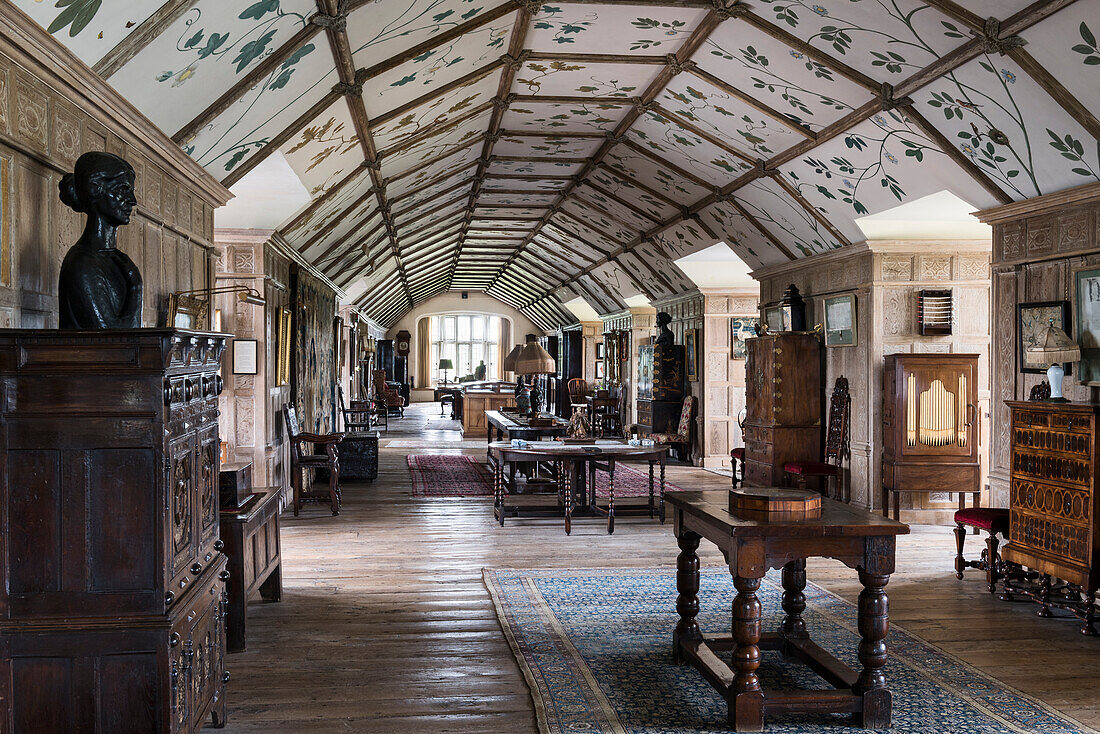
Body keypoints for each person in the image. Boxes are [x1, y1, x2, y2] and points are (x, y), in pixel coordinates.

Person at [58, 151, 142, 329]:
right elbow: (112, 339)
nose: (132, 201)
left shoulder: (114, 259)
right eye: (122, 190)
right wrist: (136, 288)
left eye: (131, 192)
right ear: (95, 189)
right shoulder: (82, 263)